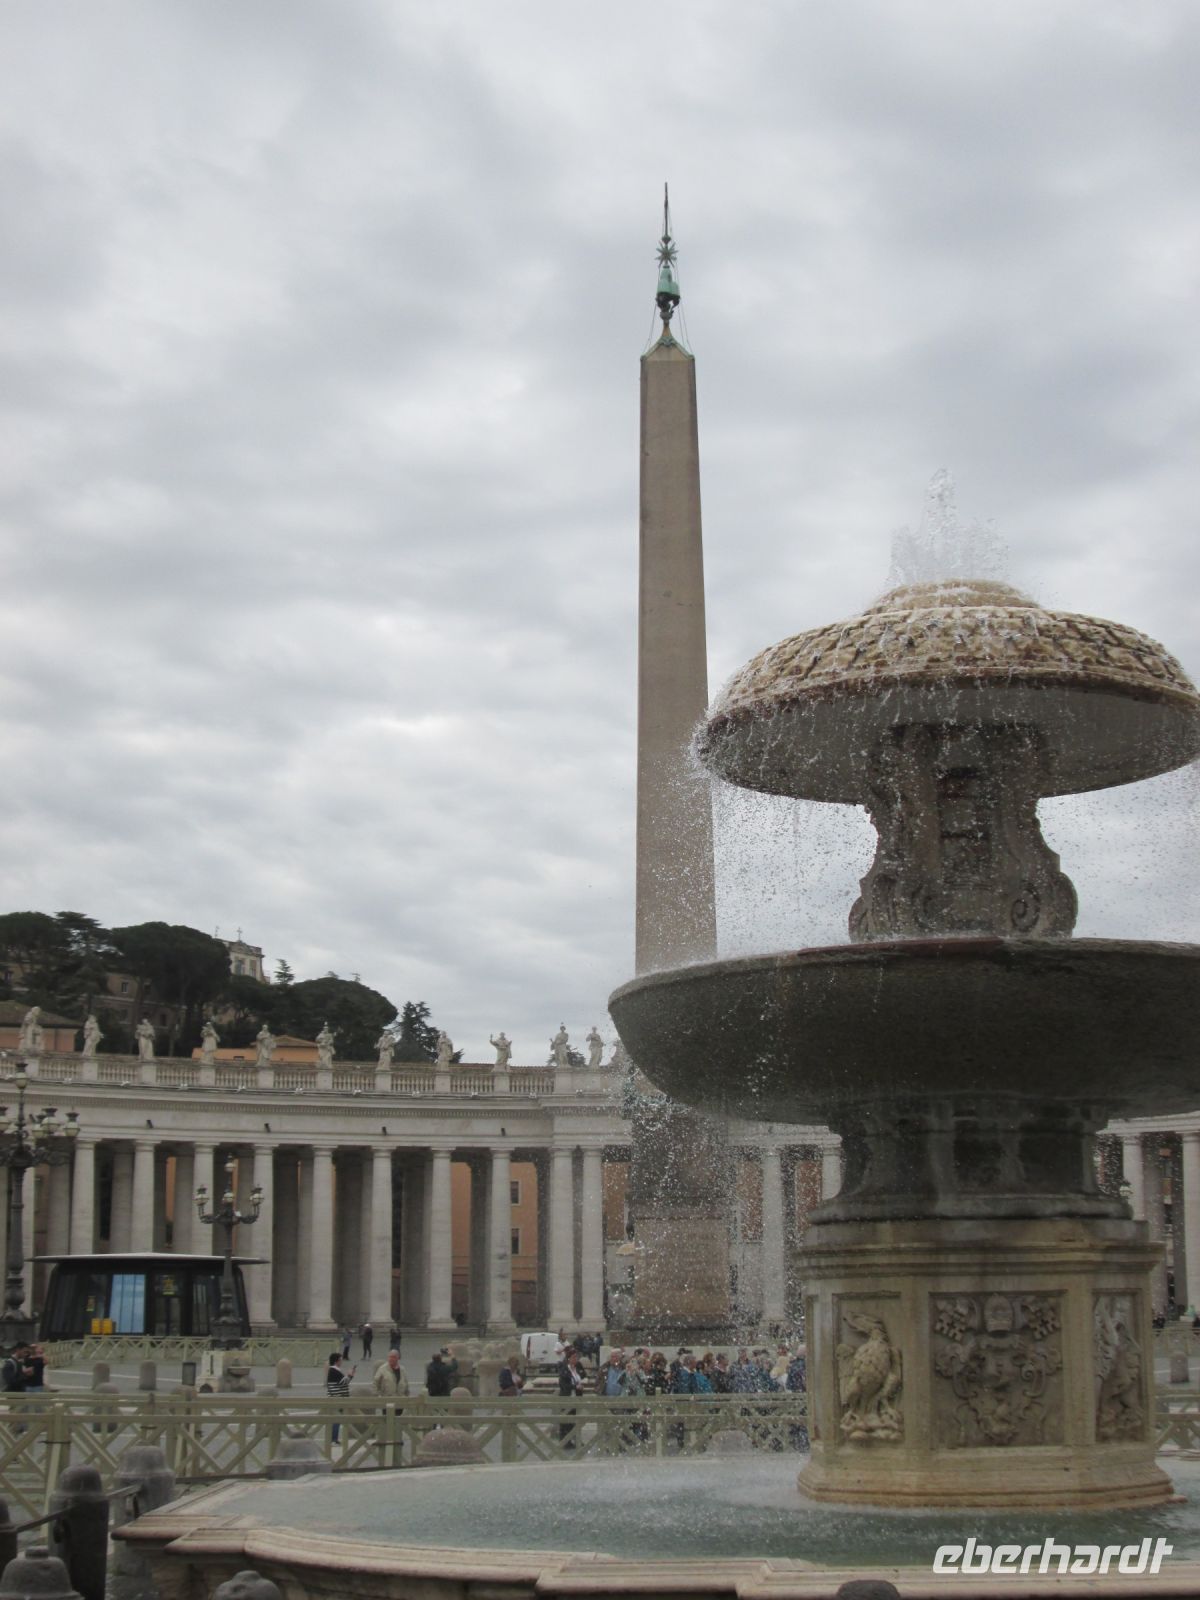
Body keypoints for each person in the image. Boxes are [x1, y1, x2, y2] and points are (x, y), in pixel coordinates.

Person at [558, 1345, 584, 1448]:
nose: (575, 1359)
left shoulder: (577, 1368)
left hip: (576, 1398)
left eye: (576, 1357)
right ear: (569, 1358)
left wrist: (580, 1385)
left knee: (575, 1420)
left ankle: (575, 1439)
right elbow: (563, 1384)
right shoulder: (564, 1369)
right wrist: (575, 1386)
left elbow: (583, 1375)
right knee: (566, 1421)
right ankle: (565, 1441)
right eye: (573, 1357)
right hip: (567, 1397)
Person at [325, 1351, 354, 1445]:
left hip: (336, 1398)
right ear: (336, 1361)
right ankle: (333, 1440)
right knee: (336, 1420)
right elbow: (343, 1382)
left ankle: (334, 1439)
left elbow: (343, 1382)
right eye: (340, 1360)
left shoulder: (334, 1370)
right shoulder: (334, 1370)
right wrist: (350, 1374)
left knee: (336, 1420)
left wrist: (350, 1375)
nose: (341, 1362)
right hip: (336, 1398)